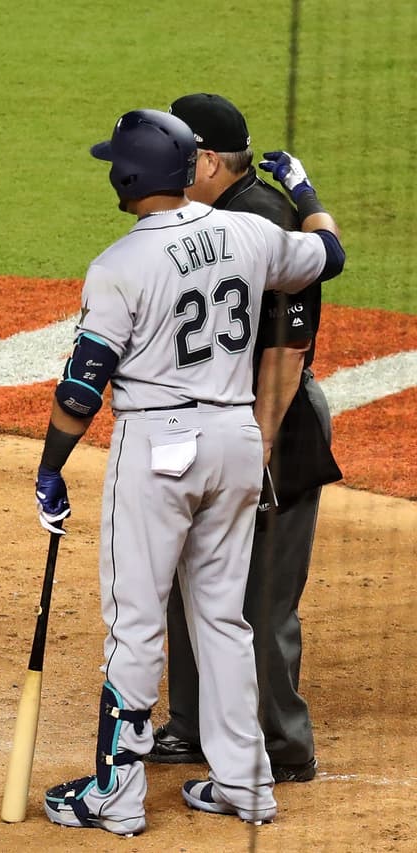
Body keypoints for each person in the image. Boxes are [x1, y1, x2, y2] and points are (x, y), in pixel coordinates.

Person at [33, 108, 344, 834]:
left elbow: (82, 390)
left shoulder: (120, 265)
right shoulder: (248, 231)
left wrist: (50, 469)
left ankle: (117, 790)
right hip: (238, 439)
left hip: (159, 449)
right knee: (223, 617)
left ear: (128, 176)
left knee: (137, 623)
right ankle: (247, 783)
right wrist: (307, 194)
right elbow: (328, 256)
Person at [145, 93, 342, 784]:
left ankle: (283, 745)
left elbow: (286, 354)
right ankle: (193, 725)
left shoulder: (263, 223)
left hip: (275, 432)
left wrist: (253, 452)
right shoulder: (204, 217)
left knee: (259, 597)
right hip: (211, 425)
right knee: (186, 577)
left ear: (203, 159)